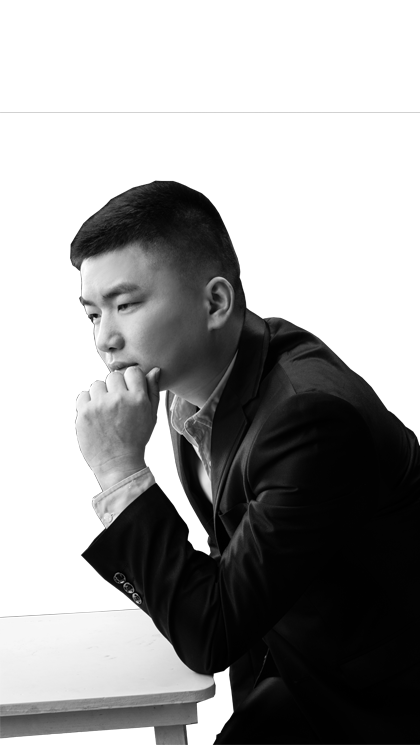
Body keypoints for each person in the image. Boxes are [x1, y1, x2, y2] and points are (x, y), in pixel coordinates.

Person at [72, 182, 420, 744]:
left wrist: (119, 471)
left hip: (375, 704)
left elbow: (213, 633)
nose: (105, 340)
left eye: (126, 305)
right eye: (93, 313)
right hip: (301, 666)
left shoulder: (307, 420)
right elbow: (232, 574)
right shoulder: (200, 393)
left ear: (215, 303)